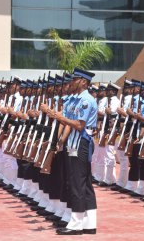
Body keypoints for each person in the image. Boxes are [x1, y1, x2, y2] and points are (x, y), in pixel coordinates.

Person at [54, 68, 97, 235]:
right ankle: (89, 222)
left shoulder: (86, 100)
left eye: (76, 79)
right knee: (84, 184)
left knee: (77, 183)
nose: (72, 82)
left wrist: (59, 117)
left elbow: (79, 125)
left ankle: (76, 223)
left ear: (84, 82)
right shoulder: (79, 99)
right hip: (75, 143)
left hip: (82, 143)